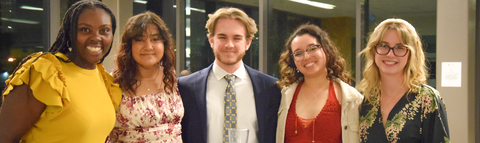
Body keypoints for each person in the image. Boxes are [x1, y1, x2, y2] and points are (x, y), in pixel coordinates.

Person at [0, 1, 121, 142]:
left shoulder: (104, 78)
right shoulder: (46, 72)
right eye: (85, 30)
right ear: (70, 33)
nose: (96, 37)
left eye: (104, 30)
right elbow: (5, 137)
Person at [178, 7, 281, 143]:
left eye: (237, 38)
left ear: (248, 43)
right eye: (222, 37)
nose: (229, 44)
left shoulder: (270, 88)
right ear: (211, 40)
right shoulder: (186, 87)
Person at [357, 18, 449, 143]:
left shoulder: (427, 99)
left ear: (411, 54)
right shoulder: (364, 99)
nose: (390, 54)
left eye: (399, 48)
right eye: (383, 46)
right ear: (373, 51)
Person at [276, 24, 363, 143]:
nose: (306, 56)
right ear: (293, 60)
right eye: (298, 53)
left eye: (312, 48)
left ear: (326, 50)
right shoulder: (283, 97)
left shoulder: (352, 99)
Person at [107, 11, 183, 142]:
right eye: (140, 40)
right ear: (129, 45)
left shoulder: (172, 78)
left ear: (164, 44)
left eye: (155, 39)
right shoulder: (113, 82)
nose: (148, 46)